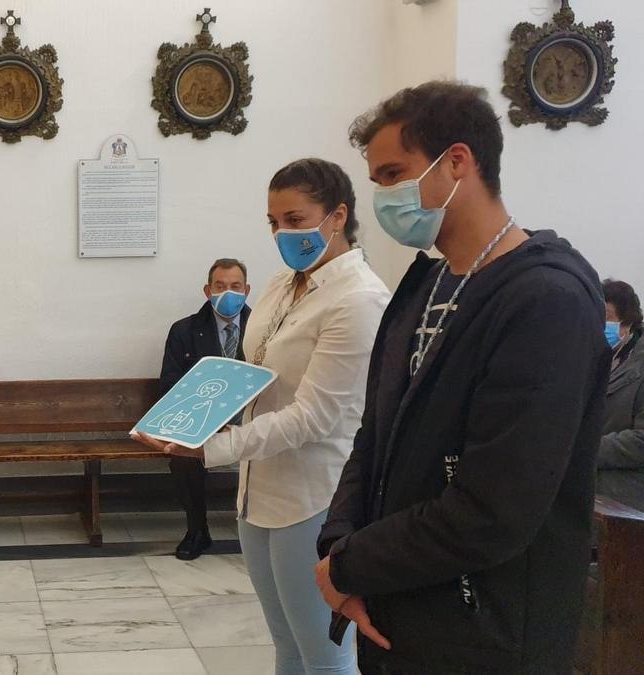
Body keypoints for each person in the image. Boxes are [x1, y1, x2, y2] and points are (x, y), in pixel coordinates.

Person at [315, 81, 609, 673]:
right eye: (376, 182)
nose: (384, 196)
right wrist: (338, 547)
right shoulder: (426, 283)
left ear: (457, 162)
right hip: (395, 604)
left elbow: (494, 509)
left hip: (484, 628)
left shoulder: (544, 297)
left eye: (395, 173)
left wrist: (351, 565)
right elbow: (375, 435)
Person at [140, 158, 390, 674]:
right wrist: (191, 418)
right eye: (273, 222)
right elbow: (252, 375)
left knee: (323, 654)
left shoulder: (358, 300)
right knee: (286, 644)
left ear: (337, 216)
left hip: (313, 495)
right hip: (258, 489)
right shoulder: (281, 285)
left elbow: (314, 417)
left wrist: (213, 448)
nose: (282, 233)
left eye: (295, 220)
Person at [160, 258, 252, 560]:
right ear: (207, 290)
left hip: (254, 419)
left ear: (247, 290)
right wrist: (208, 422)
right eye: (220, 286)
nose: (228, 293)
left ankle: (259, 527)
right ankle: (197, 530)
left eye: (235, 287)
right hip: (202, 422)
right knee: (181, 451)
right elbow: (171, 386)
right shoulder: (184, 330)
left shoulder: (266, 327)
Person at [598, 278, 644, 510]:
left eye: (606, 317)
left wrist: (588, 448)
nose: (599, 324)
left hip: (626, 500)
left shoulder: (638, 367)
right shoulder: (596, 356)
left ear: (628, 324)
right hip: (591, 491)